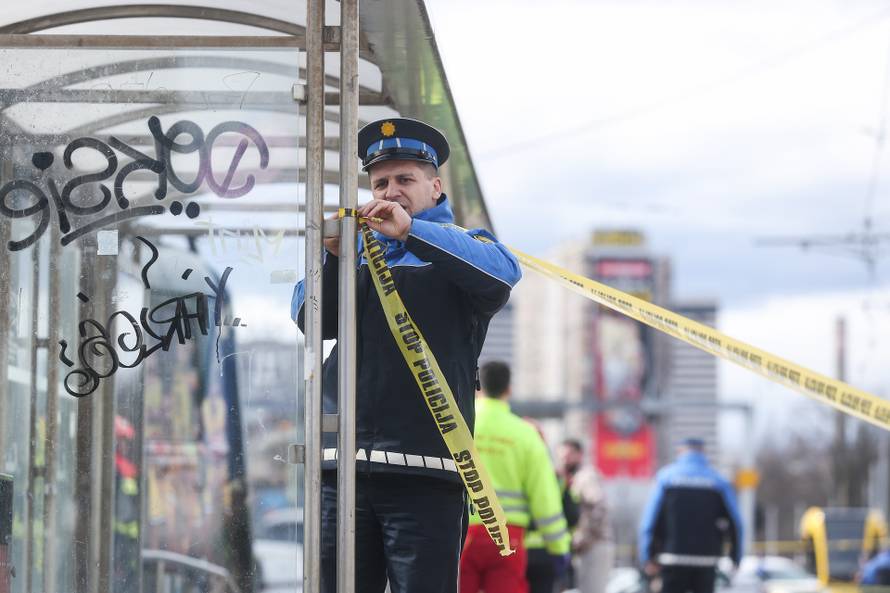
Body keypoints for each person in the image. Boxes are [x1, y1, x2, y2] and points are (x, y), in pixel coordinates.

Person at [291, 118, 522, 593]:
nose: (390, 192)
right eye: (380, 183)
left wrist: (410, 232)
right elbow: (308, 316)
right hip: (344, 475)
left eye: (405, 180)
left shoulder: (464, 246)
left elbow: (503, 273)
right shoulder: (356, 249)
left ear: (435, 187)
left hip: (426, 477)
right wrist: (334, 256)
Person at [459, 361, 569, 593]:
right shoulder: (525, 434)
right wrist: (559, 547)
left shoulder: (461, 426)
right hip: (508, 537)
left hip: (461, 530)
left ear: (478, 388)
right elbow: (544, 497)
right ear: (509, 389)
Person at [637, 438, 743, 593]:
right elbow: (736, 523)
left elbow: (648, 522)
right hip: (707, 561)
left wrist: (647, 557)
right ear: (703, 453)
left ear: (680, 452)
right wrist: (736, 558)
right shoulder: (719, 481)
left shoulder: (665, 478)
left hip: (671, 559)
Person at [558, 439, 613, 593]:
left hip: (594, 545)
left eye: (569, 455)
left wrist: (584, 537)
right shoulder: (570, 478)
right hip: (585, 548)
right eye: (562, 456)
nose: (564, 460)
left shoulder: (585, 477)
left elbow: (599, 507)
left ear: (579, 455)